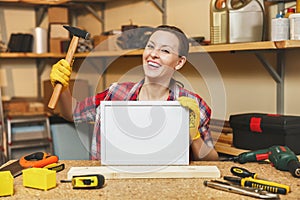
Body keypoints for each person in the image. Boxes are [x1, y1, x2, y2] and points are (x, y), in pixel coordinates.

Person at [50, 25, 219, 161]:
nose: (153, 54)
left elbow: (212, 160)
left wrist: (194, 135)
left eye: (165, 51)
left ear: (180, 62)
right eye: (150, 47)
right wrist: (63, 89)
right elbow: (73, 114)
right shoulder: (115, 94)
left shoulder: (192, 104)